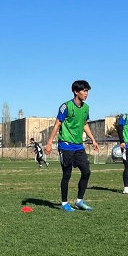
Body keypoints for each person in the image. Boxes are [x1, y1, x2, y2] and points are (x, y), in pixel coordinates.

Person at [44, 80, 99, 211]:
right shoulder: (66, 106)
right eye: (84, 91)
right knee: (67, 175)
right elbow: (57, 124)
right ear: (76, 91)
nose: (86, 94)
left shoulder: (86, 108)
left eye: (87, 91)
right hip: (66, 146)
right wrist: (49, 142)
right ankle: (64, 203)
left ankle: (79, 201)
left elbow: (85, 124)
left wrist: (93, 139)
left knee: (86, 172)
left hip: (79, 146)